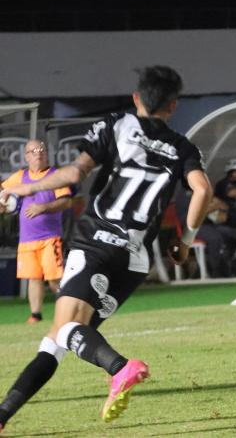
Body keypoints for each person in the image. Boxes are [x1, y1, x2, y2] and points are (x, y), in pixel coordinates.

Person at [0, 66, 213, 432]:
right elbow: (203, 191)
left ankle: (120, 368)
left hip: (98, 241)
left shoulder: (118, 124)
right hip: (134, 260)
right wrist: (185, 242)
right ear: (173, 106)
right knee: (59, 337)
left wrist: (19, 189)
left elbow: (72, 175)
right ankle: (3, 416)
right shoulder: (183, 147)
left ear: (136, 98)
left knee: (67, 327)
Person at [0, 140, 72, 323]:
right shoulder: (20, 176)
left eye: (42, 150)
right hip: (26, 240)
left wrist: (43, 207)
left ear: (47, 153)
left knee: (55, 279)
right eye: (33, 151)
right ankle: (36, 315)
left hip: (50, 237)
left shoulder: (56, 175)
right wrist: (2, 204)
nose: (38, 153)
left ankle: (71, 312)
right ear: (26, 156)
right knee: (33, 278)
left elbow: (66, 202)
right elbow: (3, 193)